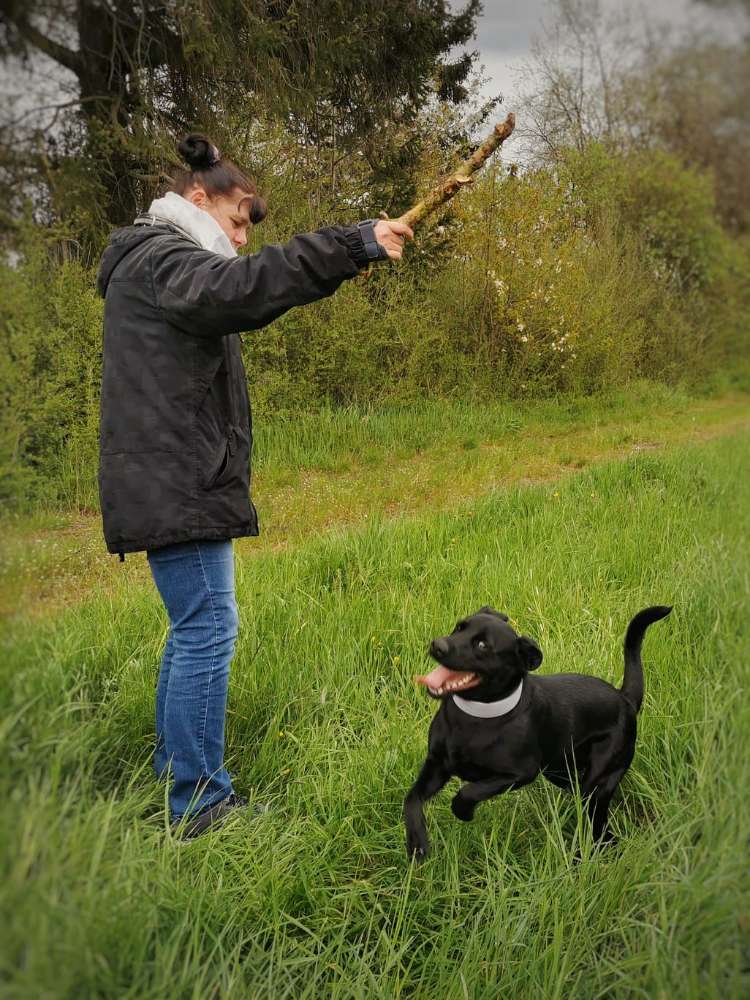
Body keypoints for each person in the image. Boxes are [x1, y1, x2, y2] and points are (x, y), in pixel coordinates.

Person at [96, 133, 413, 839]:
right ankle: (201, 805)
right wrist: (352, 244)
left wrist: (340, 261)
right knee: (209, 629)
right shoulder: (163, 260)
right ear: (197, 198)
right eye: (238, 219)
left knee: (192, 631)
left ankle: (177, 773)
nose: (241, 237)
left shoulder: (154, 265)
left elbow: (235, 292)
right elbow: (242, 288)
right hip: (177, 482)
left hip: (169, 478)